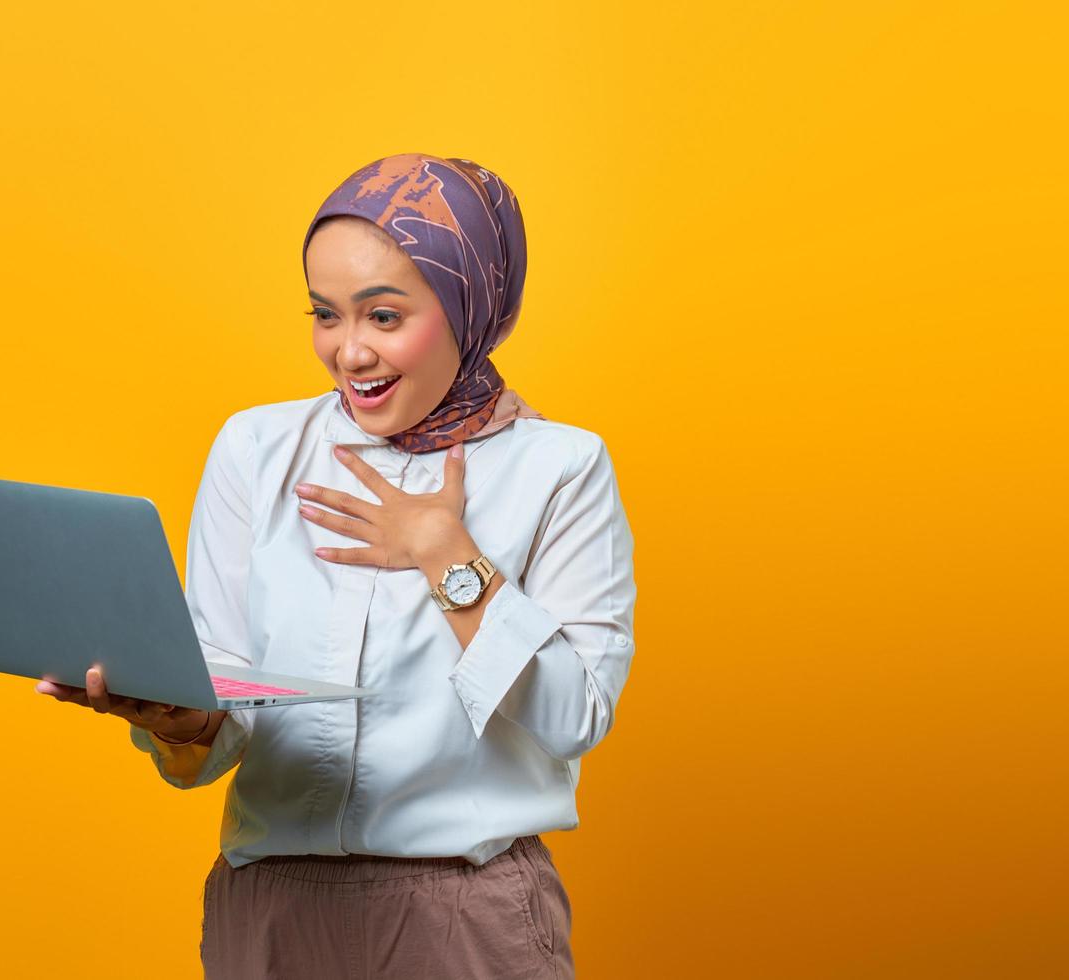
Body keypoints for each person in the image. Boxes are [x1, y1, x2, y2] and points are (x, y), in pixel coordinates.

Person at [36, 153, 637, 979]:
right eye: (326, 315)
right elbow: (226, 698)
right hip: (273, 909)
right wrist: (175, 718)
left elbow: (577, 716)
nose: (348, 352)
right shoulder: (256, 448)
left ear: (470, 305)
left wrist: (446, 557)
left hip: (466, 914)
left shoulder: (560, 467)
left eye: (383, 317)